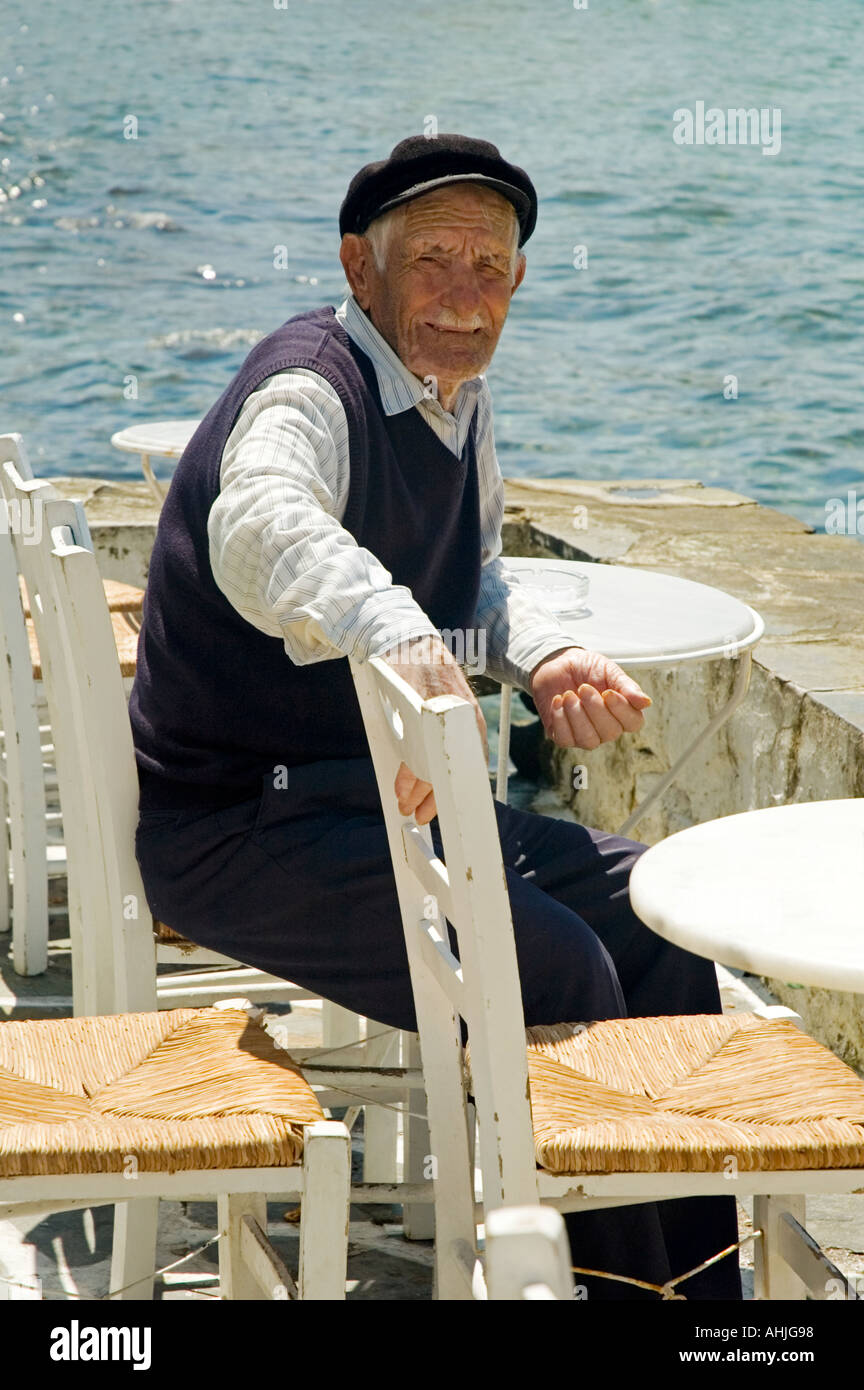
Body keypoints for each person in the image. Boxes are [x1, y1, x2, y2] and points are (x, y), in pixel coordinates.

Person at [130, 133, 742, 1300]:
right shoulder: (311, 382)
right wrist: (397, 634)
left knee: (661, 916)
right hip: (238, 831)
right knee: (555, 965)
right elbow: (262, 526)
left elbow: (476, 578)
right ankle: (611, 1290)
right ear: (363, 267)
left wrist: (545, 654)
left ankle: (701, 1296)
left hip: (382, 811)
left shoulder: (454, 398)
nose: (465, 297)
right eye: (434, 262)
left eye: (491, 268)